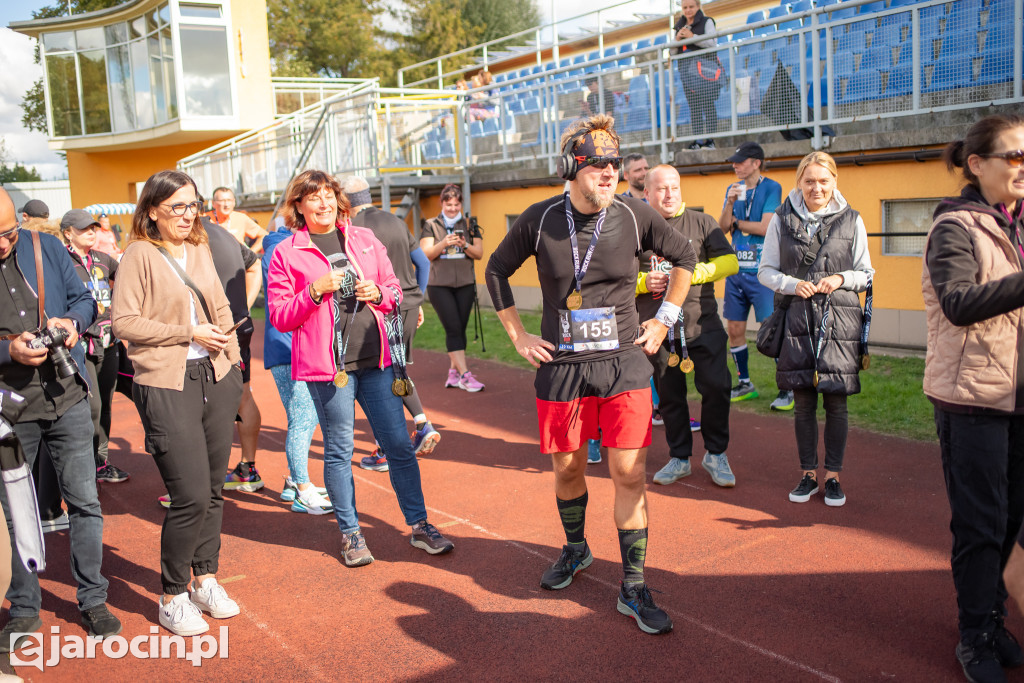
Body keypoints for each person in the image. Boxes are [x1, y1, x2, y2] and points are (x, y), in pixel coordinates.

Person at [485, 115, 697, 635]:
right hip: (563, 368)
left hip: (625, 361)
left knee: (629, 471)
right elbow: (495, 270)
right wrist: (518, 336)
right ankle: (576, 550)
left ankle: (633, 584)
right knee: (569, 470)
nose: (609, 173)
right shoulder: (540, 220)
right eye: (597, 164)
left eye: (614, 165)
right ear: (573, 168)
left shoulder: (633, 213)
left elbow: (686, 256)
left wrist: (664, 320)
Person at [267, 170, 453, 567]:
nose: (323, 203)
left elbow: (395, 290)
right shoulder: (287, 251)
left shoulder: (364, 239)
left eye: (328, 195)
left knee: (400, 445)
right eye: (313, 197)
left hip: (376, 359)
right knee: (339, 449)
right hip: (329, 367)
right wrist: (316, 290)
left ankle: (420, 525)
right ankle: (351, 534)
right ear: (298, 205)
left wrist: (379, 294)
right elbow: (281, 316)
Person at [111, 170, 243, 636]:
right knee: (187, 495)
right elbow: (124, 322)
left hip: (217, 375)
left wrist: (234, 361)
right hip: (167, 384)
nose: (188, 215)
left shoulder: (201, 248)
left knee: (212, 490)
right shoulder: (139, 255)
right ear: (152, 211)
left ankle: (206, 577)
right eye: (177, 208)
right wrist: (187, 333)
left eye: (193, 205)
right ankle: (172, 594)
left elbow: (222, 308)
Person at [922, 114, 1024, 683]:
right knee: (981, 525)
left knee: (1011, 521)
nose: (1023, 167)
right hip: (972, 398)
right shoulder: (953, 227)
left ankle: (995, 617)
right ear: (978, 164)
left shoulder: (1018, 224)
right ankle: (974, 635)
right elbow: (960, 303)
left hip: (1018, 394)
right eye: (1014, 156)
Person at [0, 188, 121, 652]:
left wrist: (72, 322)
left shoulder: (45, 245)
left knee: (85, 503)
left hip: (67, 397)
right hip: (10, 407)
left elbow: (86, 300)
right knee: (16, 513)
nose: (5, 243)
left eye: (10, 232)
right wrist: (8, 349)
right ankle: (24, 608)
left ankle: (93, 599)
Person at [757, 152, 873, 508]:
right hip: (797, 321)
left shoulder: (853, 219)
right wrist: (792, 285)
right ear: (799, 183)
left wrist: (840, 278)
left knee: (836, 403)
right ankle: (808, 474)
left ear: (835, 182)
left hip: (840, 322)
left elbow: (866, 273)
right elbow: (765, 271)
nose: (817, 188)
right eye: (809, 181)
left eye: (824, 181)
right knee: (803, 404)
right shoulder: (781, 218)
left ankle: (833, 477)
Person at [640, 165, 738, 489]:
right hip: (659, 331)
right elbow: (618, 277)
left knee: (717, 387)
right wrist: (643, 281)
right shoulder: (637, 229)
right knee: (670, 397)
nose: (669, 195)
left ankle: (716, 454)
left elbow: (730, 262)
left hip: (703, 323)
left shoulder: (703, 222)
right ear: (647, 193)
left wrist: (695, 273)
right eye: (661, 189)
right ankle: (679, 457)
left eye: (674, 187)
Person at [341, 175, 441, 472]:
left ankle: (402, 437)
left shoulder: (353, 229)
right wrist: (417, 299)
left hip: (379, 306)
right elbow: (422, 263)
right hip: (404, 302)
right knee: (396, 369)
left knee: (385, 374)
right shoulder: (397, 221)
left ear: (345, 202)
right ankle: (412, 429)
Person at [261, 219, 332, 514]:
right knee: (304, 417)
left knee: (302, 416)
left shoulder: (276, 247)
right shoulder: (284, 249)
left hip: (290, 343)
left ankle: (295, 482)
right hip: (289, 344)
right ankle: (301, 487)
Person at [717, 142, 788, 409]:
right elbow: (723, 227)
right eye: (734, 161)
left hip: (762, 272)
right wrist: (730, 204)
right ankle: (745, 383)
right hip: (736, 272)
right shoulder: (731, 189)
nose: (735, 165)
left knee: (771, 331)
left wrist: (737, 223)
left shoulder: (772, 187)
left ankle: (786, 388)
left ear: (756, 162)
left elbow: (766, 227)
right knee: (734, 329)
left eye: (740, 161)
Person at [60, 209, 129, 484]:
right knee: (93, 407)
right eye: (83, 228)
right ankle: (85, 463)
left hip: (108, 341)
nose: (91, 232)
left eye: (93, 227)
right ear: (68, 233)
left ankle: (101, 462)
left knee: (107, 405)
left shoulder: (103, 260)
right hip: (80, 343)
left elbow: (126, 281)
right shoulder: (62, 262)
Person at [203, 215, 264, 494]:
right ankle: (247, 468)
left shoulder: (188, 238)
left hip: (209, 333)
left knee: (196, 405)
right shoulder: (225, 234)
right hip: (237, 325)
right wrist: (245, 306)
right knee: (243, 395)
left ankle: (199, 483)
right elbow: (255, 265)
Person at [419, 183, 485, 392]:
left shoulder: (470, 223)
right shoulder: (431, 224)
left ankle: (453, 373)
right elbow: (425, 255)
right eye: (449, 205)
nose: (453, 209)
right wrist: (444, 243)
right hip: (439, 285)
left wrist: (464, 244)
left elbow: (479, 253)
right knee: (453, 328)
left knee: (460, 329)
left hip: (465, 283)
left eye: (456, 205)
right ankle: (465, 375)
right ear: (442, 203)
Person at [674, 0, 721, 150]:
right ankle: (698, 141)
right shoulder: (679, 26)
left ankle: (711, 140)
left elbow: (712, 43)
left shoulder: (707, 22)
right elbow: (672, 52)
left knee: (708, 105)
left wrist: (692, 36)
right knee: (694, 107)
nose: (688, 10)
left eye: (691, 7)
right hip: (688, 73)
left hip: (705, 72)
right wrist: (677, 40)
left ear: (698, 7)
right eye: (685, 7)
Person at [209, 186, 268, 252]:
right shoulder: (204, 219)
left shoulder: (241, 218)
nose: (226, 204)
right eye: (222, 200)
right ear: (213, 203)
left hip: (238, 260)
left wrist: (251, 253)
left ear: (234, 202)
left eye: (229, 200)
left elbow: (264, 235)